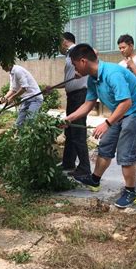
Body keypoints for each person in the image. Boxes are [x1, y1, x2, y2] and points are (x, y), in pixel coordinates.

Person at [64, 44, 136, 208]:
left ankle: (130, 192)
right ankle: (95, 180)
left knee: (125, 153)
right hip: (120, 112)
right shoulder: (93, 78)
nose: (74, 69)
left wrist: (107, 122)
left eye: (75, 64)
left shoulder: (112, 73)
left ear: (83, 61)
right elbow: (88, 104)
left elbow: (126, 102)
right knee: (105, 146)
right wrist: (69, 119)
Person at [56, 32, 91, 176]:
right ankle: (68, 162)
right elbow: (69, 81)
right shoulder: (70, 56)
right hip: (72, 96)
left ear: (64, 41)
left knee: (77, 131)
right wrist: (51, 88)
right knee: (69, 131)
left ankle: (84, 168)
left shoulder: (77, 51)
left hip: (79, 96)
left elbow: (93, 53)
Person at [117, 34, 136, 169]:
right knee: (129, 129)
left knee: (133, 128)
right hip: (124, 100)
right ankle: (135, 157)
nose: (121, 50)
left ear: (131, 46)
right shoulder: (120, 64)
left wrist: (132, 67)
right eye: (119, 48)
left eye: (123, 47)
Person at [0, 62, 43, 127]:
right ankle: (18, 136)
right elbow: (13, 89)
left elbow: (24, 88)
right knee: (18, 123)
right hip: (25, 99)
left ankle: (31, 136)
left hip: (35, 98)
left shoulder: (18, 71)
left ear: (9, 64)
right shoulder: (11, 73)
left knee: (30, 120)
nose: (3, 68)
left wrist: (12, 98)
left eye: (3, 66)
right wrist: (4, 98)